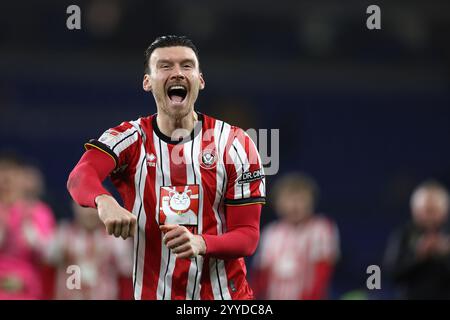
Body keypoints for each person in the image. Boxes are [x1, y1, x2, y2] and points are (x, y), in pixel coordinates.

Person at [67, 35, 266, 300]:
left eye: (186, 66)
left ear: (200, 80)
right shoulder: (129, 138)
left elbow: (248, 236)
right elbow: (80, 176)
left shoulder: (236, 144)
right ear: (147, 82)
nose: (177, 73)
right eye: (165, 66)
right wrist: (104, 201)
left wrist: (202, 242)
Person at [251, 172, 339, 300]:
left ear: (312, 201)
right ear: (277, 204)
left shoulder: (321, 228)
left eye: (301, 199)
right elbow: (261, 276)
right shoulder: (271, 232)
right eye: (288, 199)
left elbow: (323, 271)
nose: (294, 205)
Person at [45, 201, 133, 300]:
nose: (89, 213)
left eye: (94, 207)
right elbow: (47, 267)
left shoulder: (116, 238)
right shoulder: (62, 234)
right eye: (84, 206)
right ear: (74, 206)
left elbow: (126, 276)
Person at [0, 153, 55, 299]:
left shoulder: (39, 211)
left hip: (27, 285)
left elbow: (47, 253)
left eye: (11, 176)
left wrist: (27, 221)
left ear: (23, 179)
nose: (6, 182)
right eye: (2, 176)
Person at [384, 180, 450, 299]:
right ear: (414, 210)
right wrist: (418, 255)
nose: (429, 216)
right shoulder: (404, 235)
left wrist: (444, 255)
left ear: (444, 211)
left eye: (434, 210)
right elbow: (391, 274)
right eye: (425, 210)